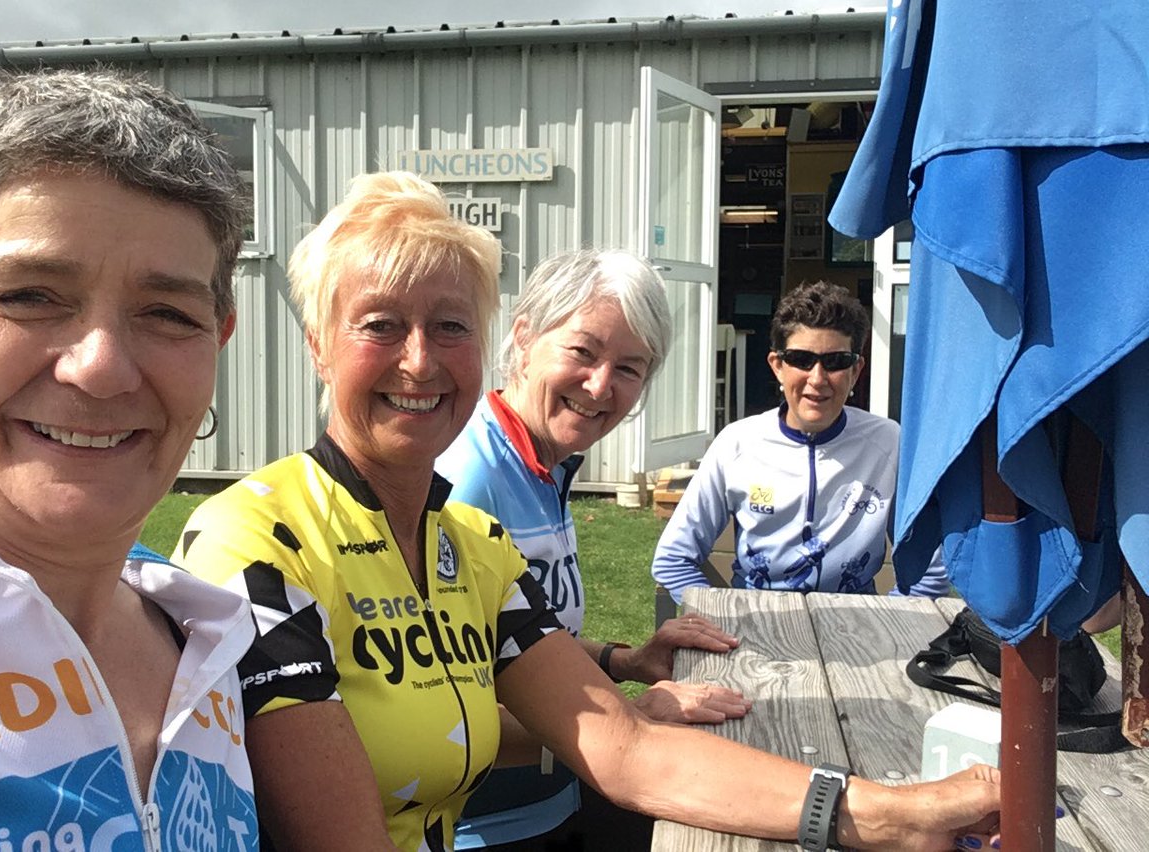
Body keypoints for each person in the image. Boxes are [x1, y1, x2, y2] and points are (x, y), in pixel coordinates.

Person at [175, 171, 1000, 852]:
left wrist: (891, 813)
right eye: (381, 325)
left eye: (451, 325)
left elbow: (628, 748)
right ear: (318, 344)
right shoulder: (255, 536)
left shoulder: (474, 544)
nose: (420, 361)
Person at [0, 69, 260, 849]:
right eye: (28, 295)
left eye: (167, 313)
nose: (101, 366)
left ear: (218, 342)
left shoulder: (208, 636)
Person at [436, 249, 747, 849]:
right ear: (524, 337)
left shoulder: (542, 465)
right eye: (582, 351)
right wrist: (630, 718)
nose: (602, 385)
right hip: (483, 827)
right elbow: (445, 711)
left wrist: (624, 662)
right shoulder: (468, 482)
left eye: (630, 368)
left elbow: (513, 640)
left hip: (557, 796)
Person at [653, 281, 949, 602]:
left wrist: (878, 627)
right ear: (777, 366)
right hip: (756, 622)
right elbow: (673, 558)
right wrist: (724, 622)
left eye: (835, 361)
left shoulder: (889, 443)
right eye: (801, 359)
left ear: (856, 370)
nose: (818, 378)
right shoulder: (736, 444)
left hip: (857, 626)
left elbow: (930, 572)